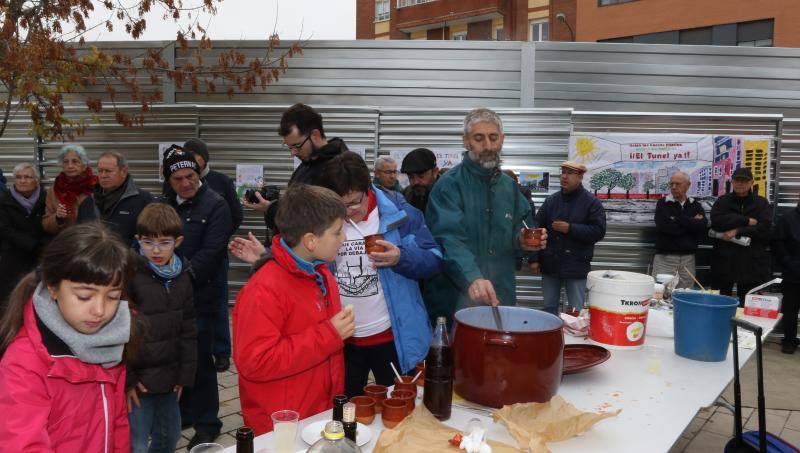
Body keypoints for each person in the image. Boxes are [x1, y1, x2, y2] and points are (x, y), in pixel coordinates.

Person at [0, 223, 136, 452]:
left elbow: (118, 422)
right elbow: (22, 445)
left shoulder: (110, 340)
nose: (100, 310)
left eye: (113, 296)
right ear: (52, 287)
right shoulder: (24, 363)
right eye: (84, 296)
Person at [317, 152, 442, 397]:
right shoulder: (323, 219)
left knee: (401, 409)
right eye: (340, 206)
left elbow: (435, 260)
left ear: (369, 188)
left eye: (354, 203)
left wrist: (401, 258)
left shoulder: (402, 216)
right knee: (346, 413)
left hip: (393, 338)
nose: (348, 213)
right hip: (343, 341)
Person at [233, 184, 354, 435]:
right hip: (283, 424)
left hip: (318, 414)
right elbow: (256, 362)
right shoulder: (263, 290)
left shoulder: (321, 274)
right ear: (311, 240)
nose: (344, 238)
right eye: (338, 232)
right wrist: (331, 335)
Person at [424, 108, 544, 324]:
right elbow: (448, 239)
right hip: (457, 302)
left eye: (493, 138)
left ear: (502, 140)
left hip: (502, 298)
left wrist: (523, 240)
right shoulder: (448, 187)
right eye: (479, 138)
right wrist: (473, 277)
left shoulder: (510, 188)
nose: (488, 146)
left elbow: (520, 228)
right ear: (466, 141)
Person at [162, 147, 231, 448]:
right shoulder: (163, 203)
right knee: (177, 358)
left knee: (200, 361)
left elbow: (212, 252)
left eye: (190, 176)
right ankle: (184, 414)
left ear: (198, 174)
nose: (186, 183)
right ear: (169, 179)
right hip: (166, 297)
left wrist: (176, 276)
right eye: (178, 178)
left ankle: (207, 423)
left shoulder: (216, 205)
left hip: (199, 296)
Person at [126, 203, 197, 453]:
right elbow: (119, 332)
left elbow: (188, 329)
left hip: (170, 379)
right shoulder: (129, 275)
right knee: (137, 443)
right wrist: (128, 379)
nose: (155, 250)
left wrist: (183, 376)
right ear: (138, 240)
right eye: (148, 242)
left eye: (164, 242)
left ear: (177, 241)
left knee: (169, 436)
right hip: (139, 383)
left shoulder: (183, 275)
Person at [181, 138, 243, 373]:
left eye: (194, 157)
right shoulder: (176, 184)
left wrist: (219, 236)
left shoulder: (220, 181)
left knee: (218, 302)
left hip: (215, 254)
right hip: (188, 254)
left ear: (203, 158)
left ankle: (222, 352)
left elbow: (236, 214)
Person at [242, 103, 348, 232]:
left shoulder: (340, 167)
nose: (293, 153)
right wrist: (271, 206)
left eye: (297, 145)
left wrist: (270, 208)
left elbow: (312, 220)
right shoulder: (307, 163)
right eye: (289, 147)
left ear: (315, 135)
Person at [531, 161, 606, 315]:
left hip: (576, 267)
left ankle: (573, 338)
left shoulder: (592, 203)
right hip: (550, 265)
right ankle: (551, 337)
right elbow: (536, 229)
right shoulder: (551, 201)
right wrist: (534, 259)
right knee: (549, 309)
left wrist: (570, 228)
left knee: (576, 312)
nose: (564, 177)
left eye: (570, 173)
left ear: (580, 177)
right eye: (563, 172)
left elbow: (598, 231)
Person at [710, 167, 772, 307]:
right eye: (737, 180)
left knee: (748, 306)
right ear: (732, 182)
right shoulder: (722, 201)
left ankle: (744, 330)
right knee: (720, 304)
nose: (740, 184)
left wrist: (737, 230)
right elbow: (717, 221)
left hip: (751, 264)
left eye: (744, 181)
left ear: (751, 183)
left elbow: (764, 228)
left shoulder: (761, 203)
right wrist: (746, 221)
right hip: (724, 262)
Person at [77, 151, 153, 246]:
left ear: (124, 172)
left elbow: (153, 237)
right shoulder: (88, 203)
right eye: (100, 171)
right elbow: (79, 237)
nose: (103, 175)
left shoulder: (144, 200)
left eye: (108, 171)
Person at [0, 163, 50, 303]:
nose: (22, 181)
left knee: (37, 298)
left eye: (27, 177)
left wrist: (44, 246)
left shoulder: (46, 198)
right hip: (12, 258)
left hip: (40, 257)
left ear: (36, 180)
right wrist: (32, 244)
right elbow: (4, 229)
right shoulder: (4, 200)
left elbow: (51, 224)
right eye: (18, 177)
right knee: (9, 300)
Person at [652, 171, 707, 289]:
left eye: (678, 184)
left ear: (688, 185)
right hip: (665, 258)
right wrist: (691, 222)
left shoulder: (695, 205)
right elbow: (665, 227)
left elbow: (702, 226)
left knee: (685, 293)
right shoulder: (663, 203)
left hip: (688, 259)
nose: (673, 187)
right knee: (661, 292)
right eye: (671, 184)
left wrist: (677, 220)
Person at [42, 144, 97, 234]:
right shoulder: (54, 190)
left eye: (75, 161)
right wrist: (57, 218)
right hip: (65, 242)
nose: (70, 166)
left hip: (91, 241)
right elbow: (46, 226)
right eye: (66, 162)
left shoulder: (96, 186)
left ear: (84, 165)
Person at [775, 201, 800, 354]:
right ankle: (789, 341)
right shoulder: (787, 218)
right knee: (790, 310)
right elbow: (778, 243)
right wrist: (788, 262)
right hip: (793, 273)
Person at [400, 147, 440, 213]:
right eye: (411, 177)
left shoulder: (449, 194)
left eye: (421, 176)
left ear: (435, 172)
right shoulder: (405, 195)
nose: (416, 182)